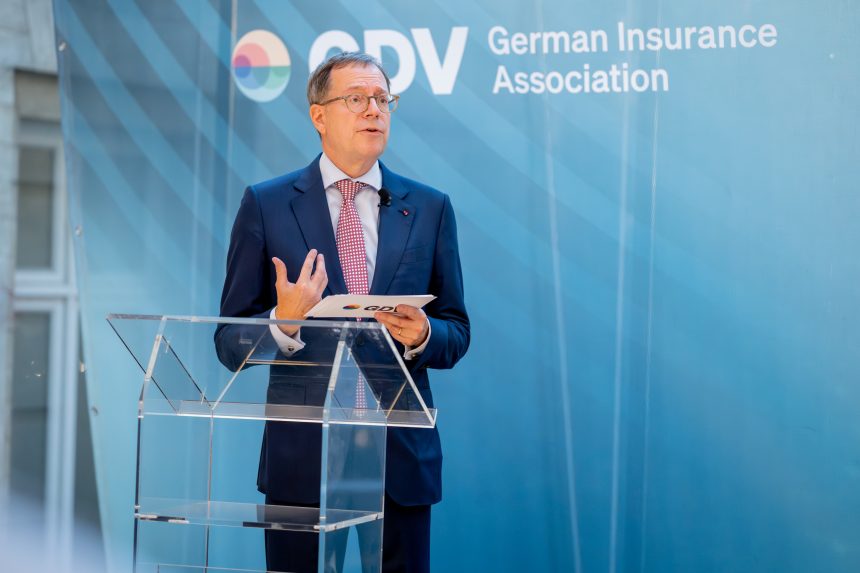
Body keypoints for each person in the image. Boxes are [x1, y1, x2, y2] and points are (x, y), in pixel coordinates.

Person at [215, 52, 470, 573]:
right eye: (356, 98)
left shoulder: (429, 207)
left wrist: (424, 333)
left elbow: (457, 331)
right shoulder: (266, 204)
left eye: (382, 99)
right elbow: (227, 342)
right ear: (319, 115)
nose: (374, 110)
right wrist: (283, 322)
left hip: (398, 459)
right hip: (302, 460)